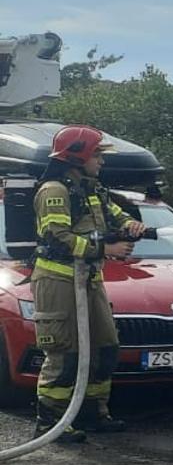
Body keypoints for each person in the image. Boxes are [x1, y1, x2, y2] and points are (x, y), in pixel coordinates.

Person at [31, 125, 145, 441]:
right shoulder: (54, 191)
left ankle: (93, 413)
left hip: (89, 280)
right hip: (58, 282)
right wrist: (106, 250)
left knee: (106, 348)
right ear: (78, 155)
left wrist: (130, 224)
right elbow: (58, 237)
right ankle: (52, 422)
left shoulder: (91, 188)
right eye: (97, 155)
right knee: (65, 354)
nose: (101, 162)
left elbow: (114, 213)